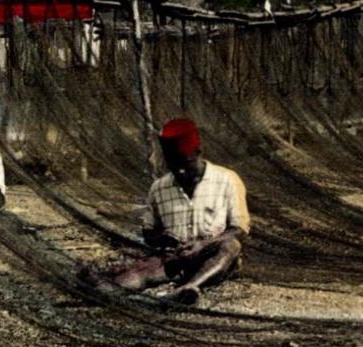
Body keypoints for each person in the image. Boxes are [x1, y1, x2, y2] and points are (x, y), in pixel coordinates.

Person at [92, 118, 249, 305]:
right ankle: (100, 289)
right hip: (174, 259)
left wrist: (202, 245)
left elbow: (239, 229)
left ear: (198, 152)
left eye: (185, 163)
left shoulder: (227, 180)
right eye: (173, 166)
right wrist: (162, 239)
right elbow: (149, 231)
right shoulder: (159, 188)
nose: (180, 171)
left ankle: (188, 288)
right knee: (138, 273)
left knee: (231, 246)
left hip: (210, 256)